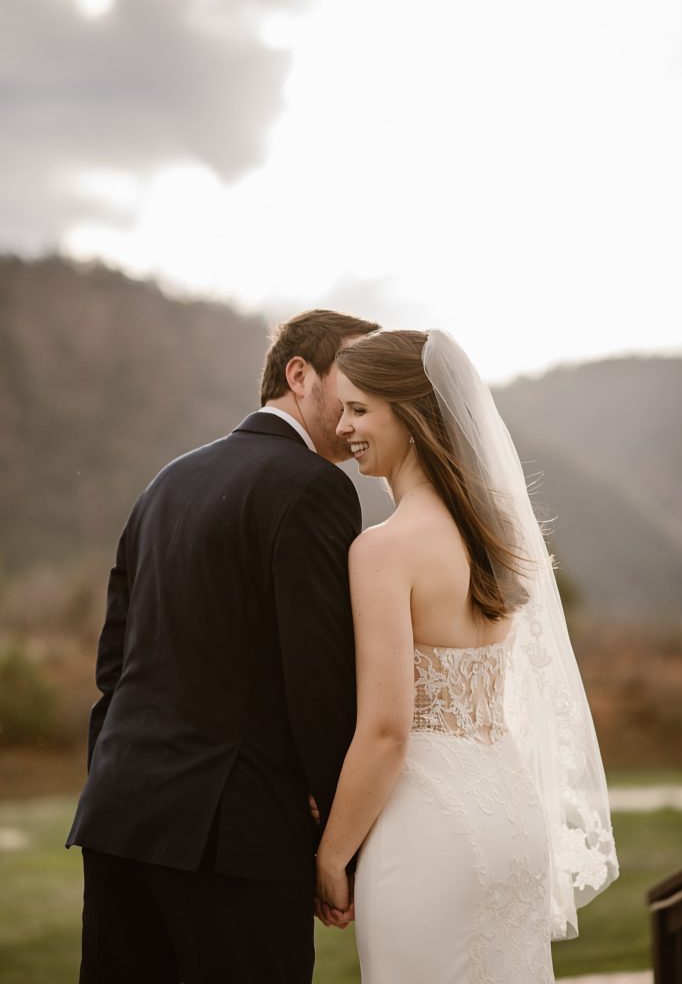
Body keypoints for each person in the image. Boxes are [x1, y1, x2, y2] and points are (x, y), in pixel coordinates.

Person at [66, 308, 379, 984]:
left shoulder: (164, 483)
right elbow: (319, 682)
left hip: (118, 818)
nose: (364, 409)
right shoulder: (315, 488)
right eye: (356, 383)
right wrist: (341, 850)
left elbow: (113, 669)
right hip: (233, 838)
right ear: (299, 374)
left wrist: (114, 778)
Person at [315, 328, 619, 983]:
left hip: (429, 826)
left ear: (414, 413)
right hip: (511, 814)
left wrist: (331, 856)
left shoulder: (383, 551)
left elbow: (388, 731)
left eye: (359, 409)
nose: (342, 428)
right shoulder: (496, 537)